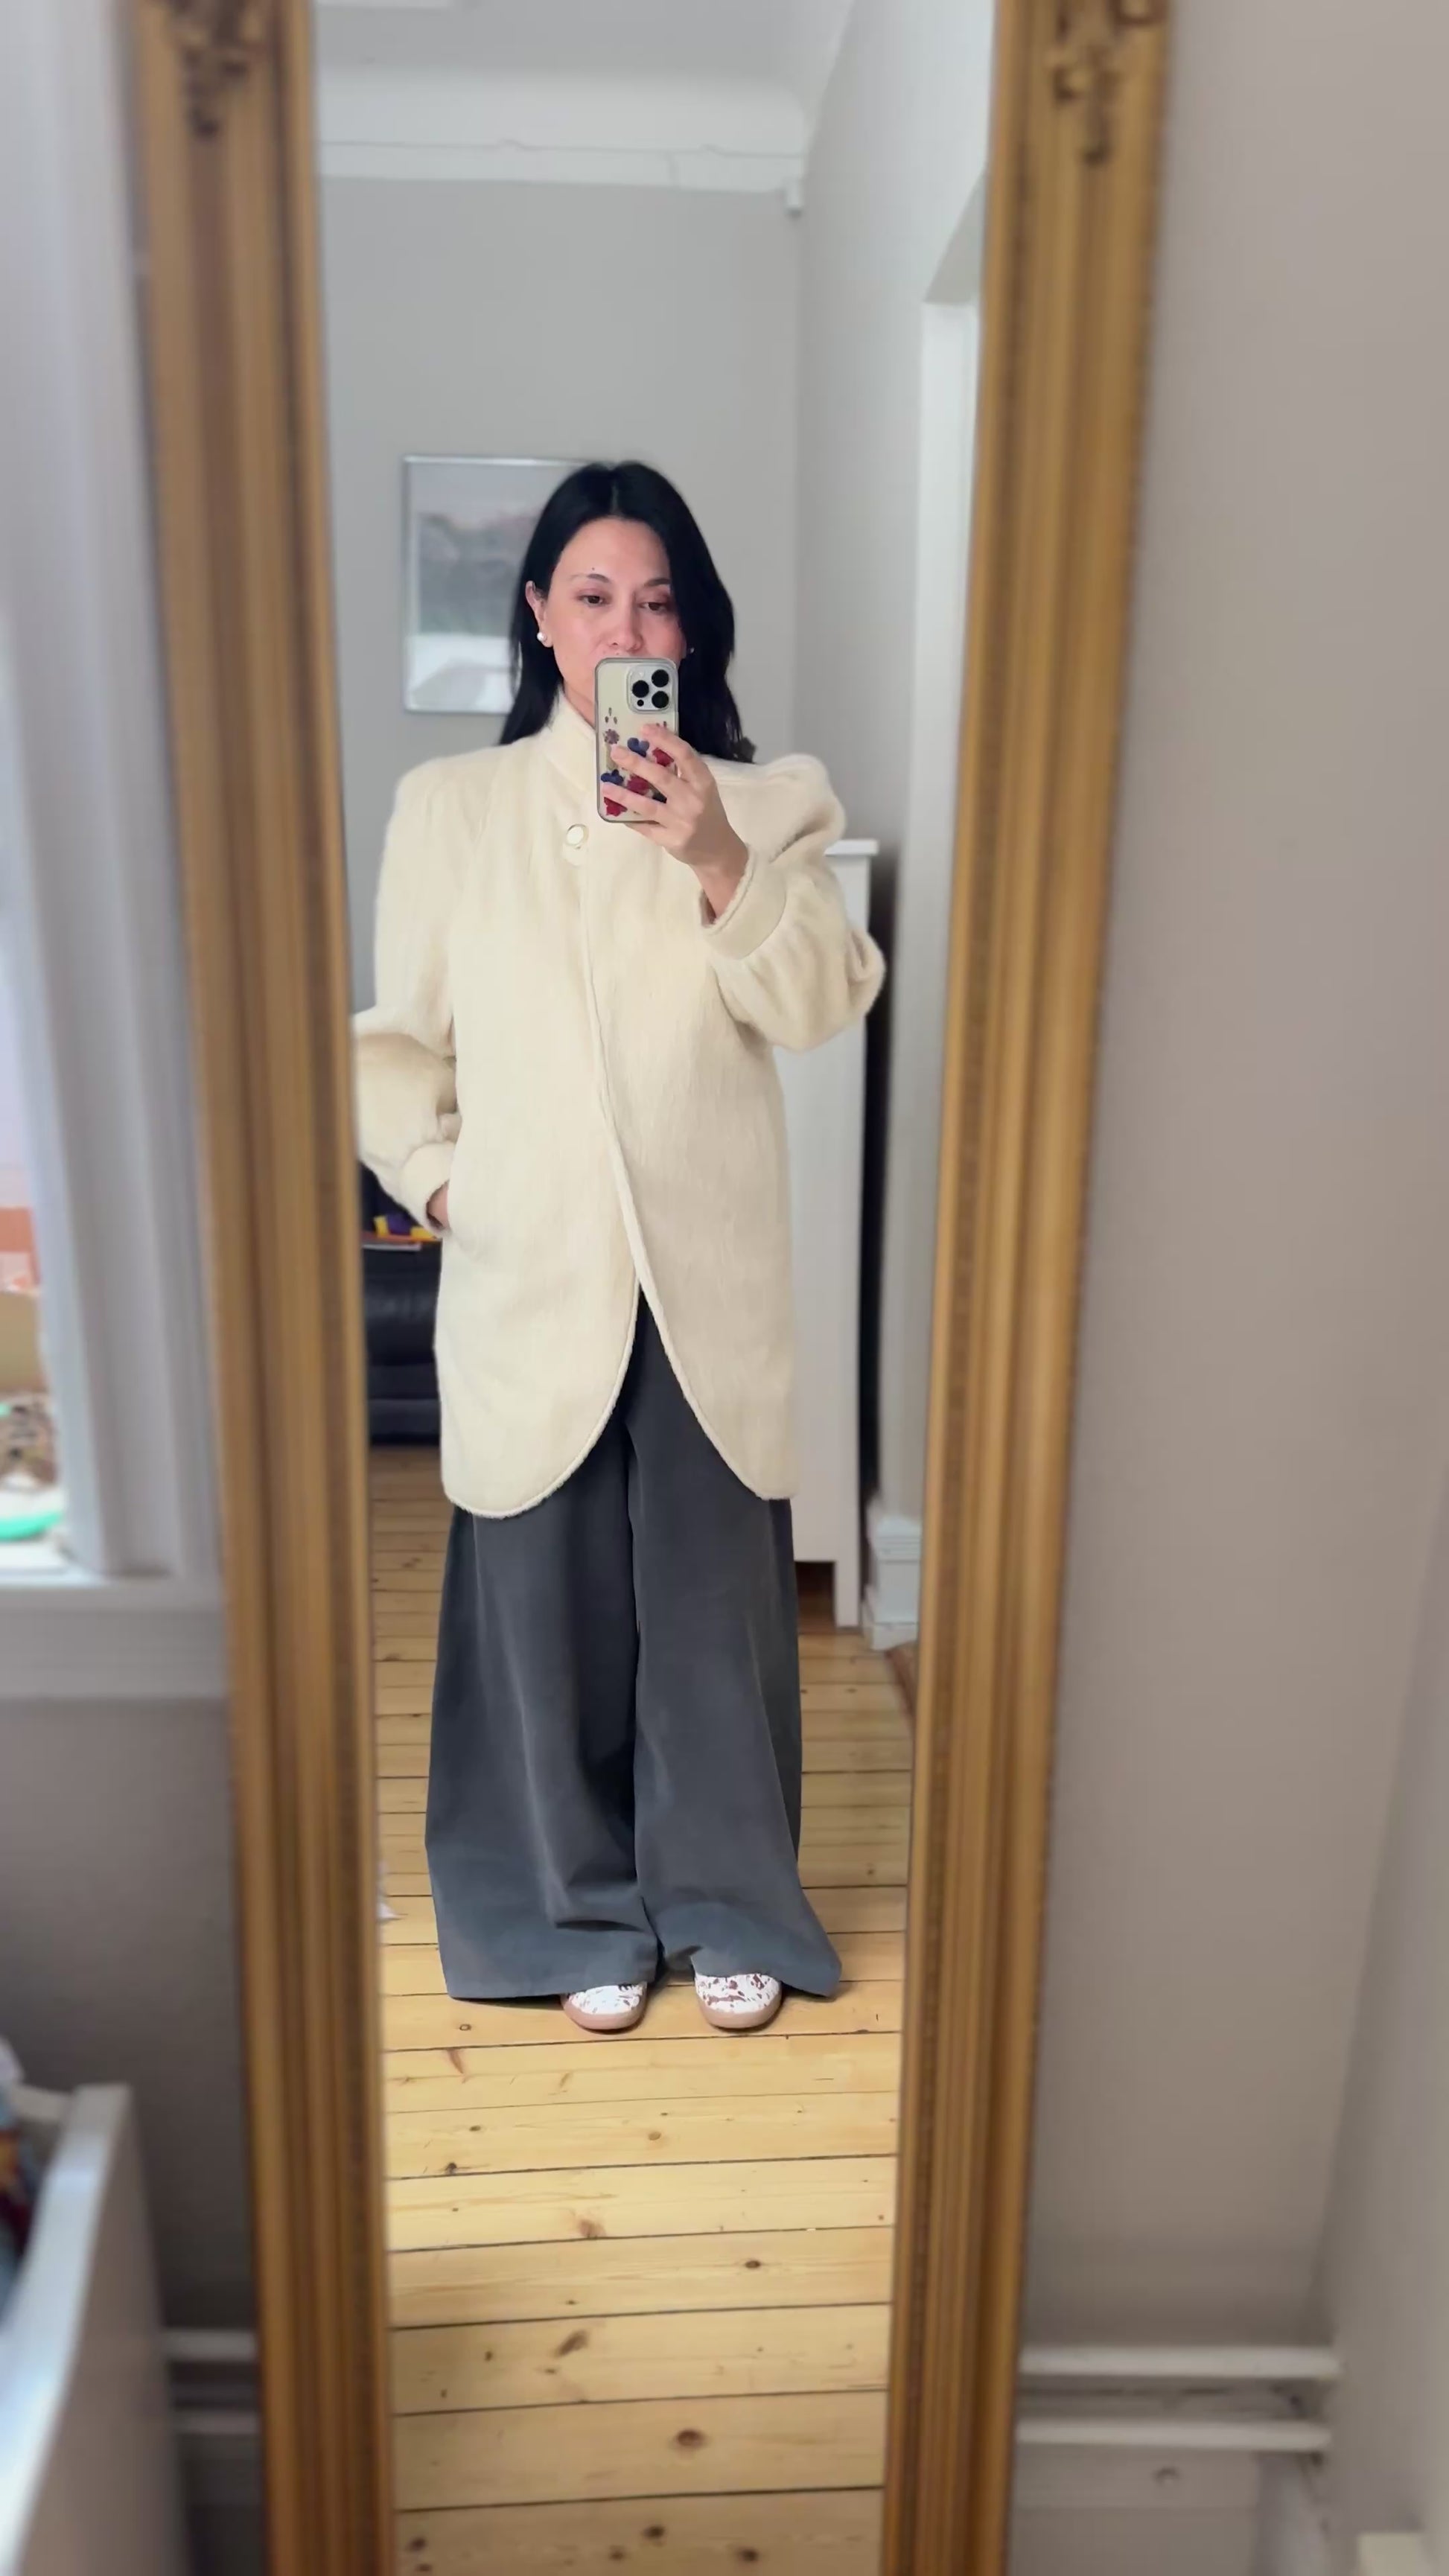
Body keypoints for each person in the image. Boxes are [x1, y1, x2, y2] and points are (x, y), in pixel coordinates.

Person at [355, 460, 884, 2035]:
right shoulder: (449, 810)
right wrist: (446, 1188)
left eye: (654, 601)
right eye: (591, 596)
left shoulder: (769, 802)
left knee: (716, 1608)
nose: (623, 627)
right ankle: (565, 1909)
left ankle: (727, 1902)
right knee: (543, 1604)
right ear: (539, 614)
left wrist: (715, 852)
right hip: (529, 1264)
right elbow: (394, 1045)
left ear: (690, 628)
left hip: (707, 1268)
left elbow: (821, 1000)